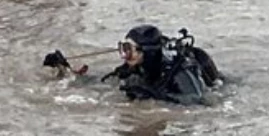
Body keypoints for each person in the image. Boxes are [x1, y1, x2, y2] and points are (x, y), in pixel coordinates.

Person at [44, 25, 223, 105]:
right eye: (123, 48)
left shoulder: (179, 72)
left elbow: (197, 101)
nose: (124, 54)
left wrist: (153, 95)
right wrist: (65, 70)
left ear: (148, 52)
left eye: (129, 49)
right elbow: (105, 82)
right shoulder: (136, 63)